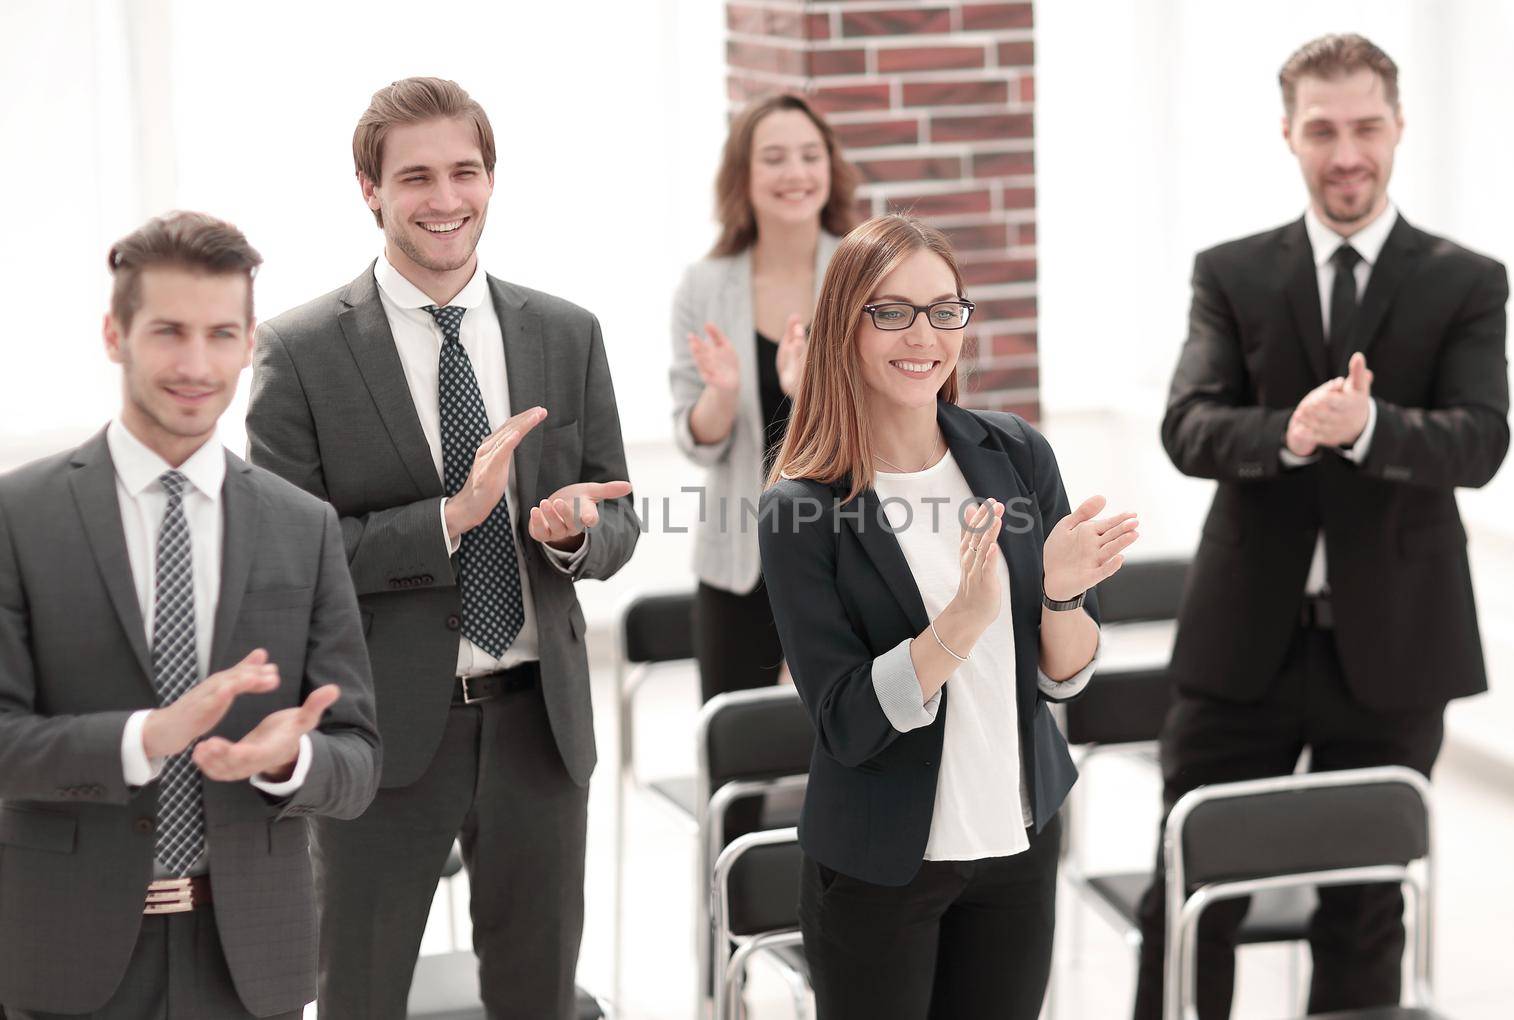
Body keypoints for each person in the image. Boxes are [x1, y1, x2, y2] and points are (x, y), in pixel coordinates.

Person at [1132, 34, 1510, 1020]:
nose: (1346, 153)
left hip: (1392, 650)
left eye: (1365, 128)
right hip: (1239, 645)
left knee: (1363, 909)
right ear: (1288, 136)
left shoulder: (1465, 281)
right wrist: (1293, 434)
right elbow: (1188, 424)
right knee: (1185, 891)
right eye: (1322, 130)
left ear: (1397, 129)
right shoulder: (1232, 273)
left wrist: (1373, 426)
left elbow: (1479, 442)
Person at [246, 77, 639, 1018]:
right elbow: (285, 563)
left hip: (541, 735)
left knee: (537, 997)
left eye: (465, 171)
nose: (444, 198)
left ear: (492, 180)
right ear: (369, 189)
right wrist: (450, 519)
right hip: (380, 738)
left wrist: (579, 534)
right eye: (415, 176)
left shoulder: (565, 333)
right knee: (362, 995)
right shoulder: (298, 352)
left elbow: (619, 512)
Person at [0, 211, 379, 1019]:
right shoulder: (18, 516)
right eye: (170, 331)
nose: (197, 364)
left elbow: (358, 758)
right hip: (66, 953)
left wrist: (291, 763)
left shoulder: (302, 525)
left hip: (251, 958)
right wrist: (149, 737)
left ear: (249, 344)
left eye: (222, 335)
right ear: (115, 334)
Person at [759, 214, 1139, 1019]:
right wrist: (956, 629)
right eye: (891, 311)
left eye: (944, 309)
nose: (922, 335)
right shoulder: (800, 508)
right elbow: (846, 724)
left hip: (1017, 842)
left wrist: (1063, 596)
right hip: (880, 863)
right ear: (845, 327)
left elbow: (1063, 682)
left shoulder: (1018, 454)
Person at [671, 92, 860, 704]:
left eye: (810, 155)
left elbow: (893, 420)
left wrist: (810, 398)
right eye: (774, 158)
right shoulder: (703, 286)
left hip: (850, 555)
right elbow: (697, 439)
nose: (796, 174)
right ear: (743, 176)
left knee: (847, 761)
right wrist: (722, 395)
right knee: (738, 765)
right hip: (739, 563)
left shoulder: (865, 273)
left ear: (830, 170)